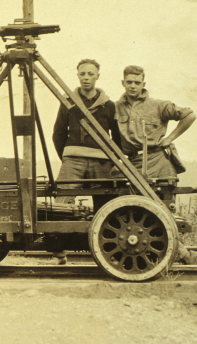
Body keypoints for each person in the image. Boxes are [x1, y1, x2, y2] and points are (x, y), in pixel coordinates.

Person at [112, 65, 197, 265]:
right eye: (129, 82)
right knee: (132, 214)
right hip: (130, 165)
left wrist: (170, 138)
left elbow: (189, 115)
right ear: (123, 83)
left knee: (163, 212)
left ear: (144, 84)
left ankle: (179, 254)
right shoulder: (115, 107)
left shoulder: (159, 105)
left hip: (158, 163)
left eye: (137, 82)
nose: (133, 86)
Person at [50, 59, 121, 264]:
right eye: (83, 74)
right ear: (78, 75)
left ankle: (108, 253)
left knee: (106, 205)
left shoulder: (109, 105)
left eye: (91, 74)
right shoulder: (68, 102)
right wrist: (68, 158)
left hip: (101, 163)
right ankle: (59, 253)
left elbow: (116, 138)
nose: (86, 78)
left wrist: (112, 161)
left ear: (98, 76)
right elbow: (58, 134)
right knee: (61, 205)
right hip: (73, 160)